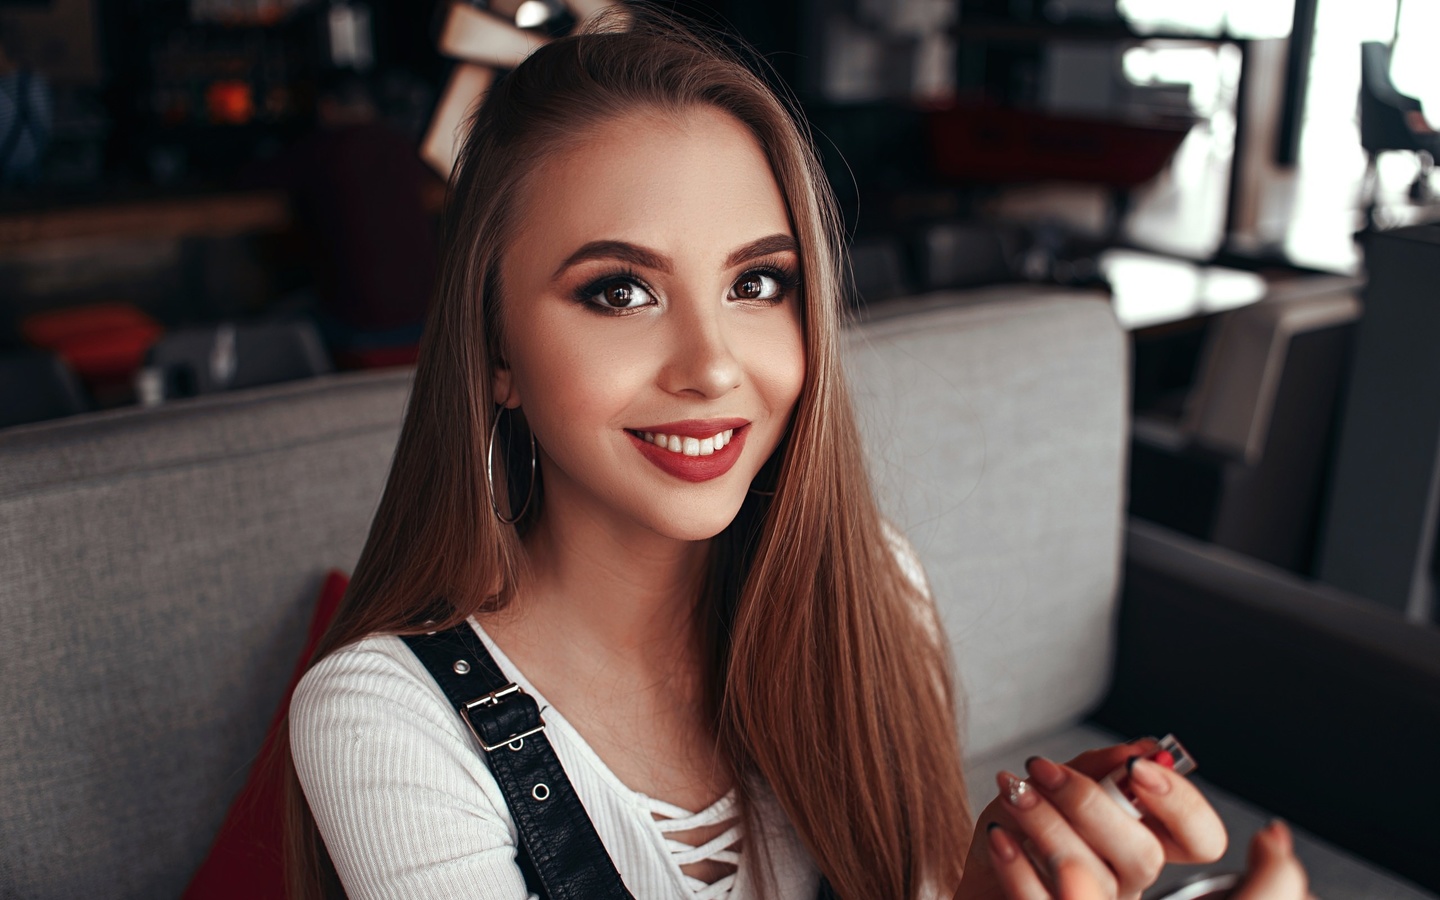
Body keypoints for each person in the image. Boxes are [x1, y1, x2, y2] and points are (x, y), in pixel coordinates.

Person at [283, 11, 1309, 900]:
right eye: (620, 291)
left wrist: (995, 878)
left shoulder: (873, 588)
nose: (712, 368)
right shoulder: (385, 726)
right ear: (496, 347)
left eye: (758, 285)